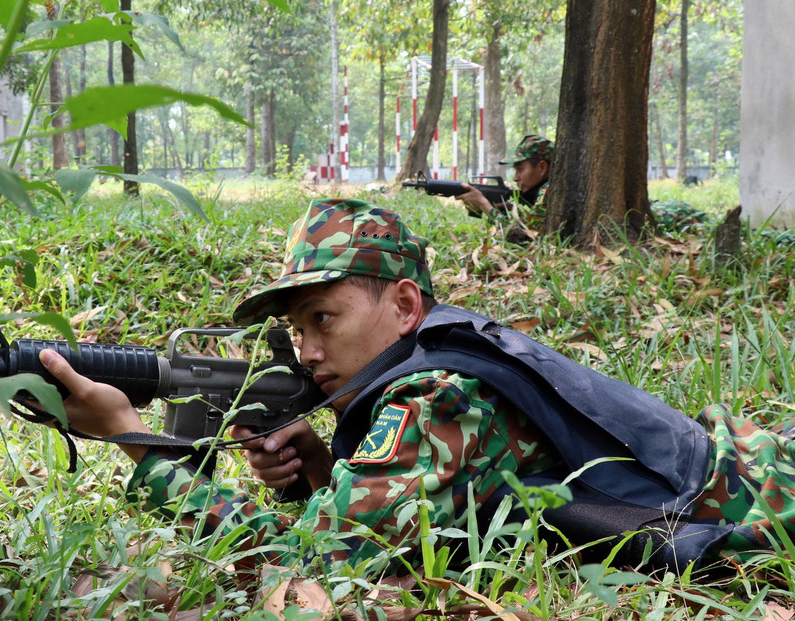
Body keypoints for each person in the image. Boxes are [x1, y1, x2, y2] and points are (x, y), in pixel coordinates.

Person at [38, 198, 795, 576]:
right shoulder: (443, 358)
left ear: (403, 306)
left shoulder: (434, 397)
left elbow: (314, 565)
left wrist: (131, 439)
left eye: (322, 317)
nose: (305, 351)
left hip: (765, 497)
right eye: (296, 329)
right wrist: (327, 470)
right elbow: (445, 515)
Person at [457, 134, 553, 232]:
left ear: (542, 168)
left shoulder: (548, 189)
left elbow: (525, 235)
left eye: (520, 169)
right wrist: (511, 208)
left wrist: (485, 206)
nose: (515, 178)